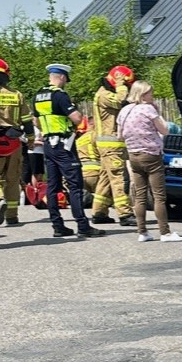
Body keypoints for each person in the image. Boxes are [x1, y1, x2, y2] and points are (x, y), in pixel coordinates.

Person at [31, 63, 104, 238]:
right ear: (62, 77)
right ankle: (83, 225)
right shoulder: (59, 95)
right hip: (64, 144)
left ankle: (57, 225)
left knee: (53, 186)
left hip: (48, 143)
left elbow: (35, 121)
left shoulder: (38, 95)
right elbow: (77, 118)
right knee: (75, 185)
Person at [117, 80, 182, 242]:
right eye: (150, 93)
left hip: (134, 155)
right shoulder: (148, 109)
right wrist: (157, 111)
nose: (152, 96)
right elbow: (165, 130)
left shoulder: (124, 111)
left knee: (140, 195)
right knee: (159, 196)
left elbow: (119, 136)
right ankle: (165, 232)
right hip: (152, 155)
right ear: (142, 94)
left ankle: (142, 232)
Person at [0, 57, 33, 226]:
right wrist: (31, 139)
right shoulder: (16, 95)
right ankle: (12, 215)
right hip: (14, 141)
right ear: (7, 74)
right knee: (13, 178)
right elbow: (26, 120)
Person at [91, 65, 136, 226]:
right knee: (118, 178)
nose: (128, 89)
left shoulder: (106, 92)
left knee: (105, 177)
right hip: (110, 145)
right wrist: (121, 85)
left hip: (110, 145)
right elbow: (121, 101)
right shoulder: (105, 94)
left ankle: (99, 212)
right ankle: (125, 214)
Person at [75, 116, 101, 209]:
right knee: (104, 198)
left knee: (87, 199)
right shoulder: (96, 135)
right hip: (96, 174)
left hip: (82, 175)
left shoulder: (79, 140)